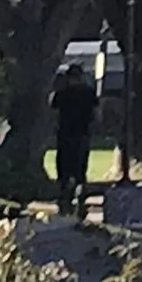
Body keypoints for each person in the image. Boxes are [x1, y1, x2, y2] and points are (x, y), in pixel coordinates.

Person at [50, 59, 99, 220]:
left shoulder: (62, 94)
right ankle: (80, 199)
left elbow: (54, 112)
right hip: (82, 134)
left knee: (64, 168)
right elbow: (95, 114)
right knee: (80, 168)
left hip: (65, 135)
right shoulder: (89, 93)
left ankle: (65, 199)